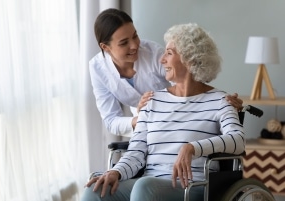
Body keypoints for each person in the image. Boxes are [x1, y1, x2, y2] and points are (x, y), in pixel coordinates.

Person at [81, 23, 245, 201]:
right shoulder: (152, 101)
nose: (162, 60)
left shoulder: (220, 100)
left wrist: (192, 148)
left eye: (169, 53)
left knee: (145, 187)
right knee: (96, 190)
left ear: (189, 58)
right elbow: (136, 151)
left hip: (193, 187)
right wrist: (115, 172)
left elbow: (238, 140)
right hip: (147, 184)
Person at [89, 8, 243, 136]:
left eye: (135, 36)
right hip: (146, 127)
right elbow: (111, 120)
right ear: (105, 47)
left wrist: (220, 102)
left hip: (179, 121)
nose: (135, 45)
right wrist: (142, 118)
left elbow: (187, 86)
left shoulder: (153, 53)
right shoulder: (97, 68)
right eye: (124, 43)